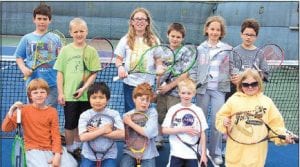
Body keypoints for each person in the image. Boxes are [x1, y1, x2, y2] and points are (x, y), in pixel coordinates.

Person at [215, 69, 295, 167]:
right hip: (235, 154)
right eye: (246, 84)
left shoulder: (267, 102)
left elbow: (275, 124)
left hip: (257, 156)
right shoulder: (233, 100)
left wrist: (283, 135)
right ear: (240, 85)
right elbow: (221, 116)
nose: (250, 87)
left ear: (259, 84)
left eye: (254, 84)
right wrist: (224, 121)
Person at [1, 78, 77, 167]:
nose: (39, 95)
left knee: (72, 164)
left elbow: (55, 135)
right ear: (30, 96)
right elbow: (5, 128)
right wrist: (11, 111)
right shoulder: (23, 110)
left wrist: (57, 154)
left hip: (51, 148)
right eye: (35, 93)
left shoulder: (52, 111)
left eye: (42, 92)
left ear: (47, 94)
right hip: (32, 149)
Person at [54, 17, 101, 156]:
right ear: (71, 33)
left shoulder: (91, 51)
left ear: (86, 32)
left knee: (83, 124)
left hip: (87, 96)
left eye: (82, 31)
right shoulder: (65, 50)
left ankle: (79, 148)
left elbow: (93, 74)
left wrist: (84, 88)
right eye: (76, 31)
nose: (79, 34)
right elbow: (60, 74)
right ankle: (69, 149)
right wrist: (61, 93)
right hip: (69, 95)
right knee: (70, 124)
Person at [189, 15, 232, 165]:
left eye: (217, 30)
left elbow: (232, 68)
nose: (214, 32)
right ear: (207, 29)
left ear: (221, 32)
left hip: (219, 90)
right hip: (202, 90)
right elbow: (193, 68)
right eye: (212, 29)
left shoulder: (227, 49)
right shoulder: (200, 48)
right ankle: (200, 149)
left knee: (216, 122)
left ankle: (215, 152)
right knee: (200, 122)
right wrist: (195, 83)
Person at [15, 3, 61, 108]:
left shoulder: (56, 38)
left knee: (47, 113)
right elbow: (19, 57)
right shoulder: (27, 38)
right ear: (34, 20)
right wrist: (24, 69)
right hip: (33, 84)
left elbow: (60, 59)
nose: (41, 22)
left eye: (45, 19)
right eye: (39, 18)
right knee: (33, 114)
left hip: (52, 84)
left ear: (50, 20)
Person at [114, 7, 160, 113]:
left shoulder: (154, 40)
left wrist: (159, 67)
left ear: (147, 22)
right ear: (132, 22)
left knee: (143, 113)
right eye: (137, 19)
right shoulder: (125, 39)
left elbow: (158, 60)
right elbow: (118, 59)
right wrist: (120, 68)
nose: (140, 21)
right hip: (130, 84)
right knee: (130, 113)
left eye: (143, 19)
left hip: (147, 84)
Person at [155, 22, 189, 148]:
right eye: (173, 36)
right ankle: (159, 138)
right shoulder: (163, 51)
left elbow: (185, 75)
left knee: (175, 117)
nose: (175, 39)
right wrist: (158, 88)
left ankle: (176, 141)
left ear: (182, 38)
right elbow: (159, 73)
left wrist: (169, 87)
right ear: (167, 35)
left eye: (178, 37)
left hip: (176, 92)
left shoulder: (186, 52)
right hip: (162, 91)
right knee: (160, 115)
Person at [162, 78, 208, 167]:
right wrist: (183, 129)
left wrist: (203, 154)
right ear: (179, 93)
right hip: (176, 153)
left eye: (189, 93)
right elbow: (164, 130)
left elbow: (203, 134)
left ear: (194, 94)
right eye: (183, 93)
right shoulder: (173, 109)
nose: (186, 96)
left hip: (192, 154)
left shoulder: (198, 111)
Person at [78, 82, 124, 167]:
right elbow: (83, 137)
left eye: (101, 97)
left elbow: (122, 134)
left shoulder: (114, 114)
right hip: (89, 156)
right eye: (94, 97)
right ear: (89, 99)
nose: (98, 101)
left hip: (109, 155)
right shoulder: (85, 115)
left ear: (108, 99)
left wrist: (96, 132)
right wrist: (103, 130)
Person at [226, 18, 269, 100]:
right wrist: (232, 79)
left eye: (252, 35)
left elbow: (264, 74)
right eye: (246, 34)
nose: (248, 37)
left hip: (253, 93)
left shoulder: (260, 53)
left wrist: (257, 76)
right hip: (235, 93)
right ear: (241, 34)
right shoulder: (233, 51)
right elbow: (228, 71)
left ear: (256, 36)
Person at [120, 82, 159, 167]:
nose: (144, 103)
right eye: (142, 99)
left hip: (148, 154)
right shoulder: (127, 115)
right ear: (134, 99)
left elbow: (148, 133)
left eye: (147, 100)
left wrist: (130, 123)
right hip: (130, 152)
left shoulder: (152, 112)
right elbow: (122, 135)